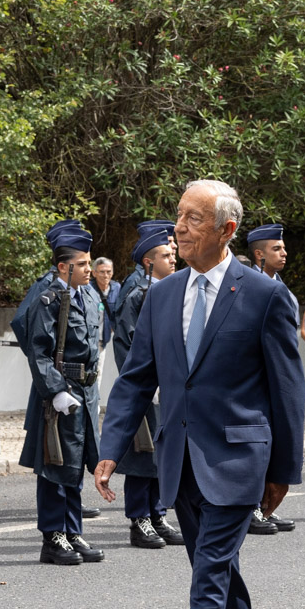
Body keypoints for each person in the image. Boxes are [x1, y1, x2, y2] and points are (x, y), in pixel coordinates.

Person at [94, 179, 304, 609]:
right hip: (179, 460)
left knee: (208, 578)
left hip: (238, 461)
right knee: (219, 574)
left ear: (226, 230)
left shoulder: (263, 295)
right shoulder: (163, 295)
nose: (179, 227)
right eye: (179, 215)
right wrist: (110, 449)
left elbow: (287, 390)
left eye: (193, 218)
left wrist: (283, 472)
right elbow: (136, 379)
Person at [15, 223, 105, 565]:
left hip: (85, 391)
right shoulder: (49, 299)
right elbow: (38, 350)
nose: (88, 269)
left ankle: (72, 531)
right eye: (82, 264)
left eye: (89, 262)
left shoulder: (89, 296)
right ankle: (53, 537)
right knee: (55, 464)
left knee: (76, 463)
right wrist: (54, 390)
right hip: (62, 391)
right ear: (64, 267)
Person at [113, 222, 187, 548]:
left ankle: (158, 515)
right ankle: (139, 519)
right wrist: (145, 383)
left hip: (171, 387)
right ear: (148, 262)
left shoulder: (172, 291)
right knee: (142, 454)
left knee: (162, 452)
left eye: (172, 254)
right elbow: (126, 345)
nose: (173, 259)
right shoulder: (137, 295)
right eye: (166, 255)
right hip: (148, 388)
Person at [243, 223, 296, 534]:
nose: (284, 252)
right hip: (256, 380)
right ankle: (250, 508)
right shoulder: (249, 287)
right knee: (256, 445)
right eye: (277, 248)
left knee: (274, 444)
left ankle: (264, 505)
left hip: (278, 377)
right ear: (259, 255)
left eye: (283, 247)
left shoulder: (281, 287)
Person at [92, 256, 118, 347]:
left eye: (108, 272)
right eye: (102, 272)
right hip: (91, 340)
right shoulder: (87, 289)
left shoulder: (116, 288)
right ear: (94, 273)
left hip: (107, 339)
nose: (106, 275)